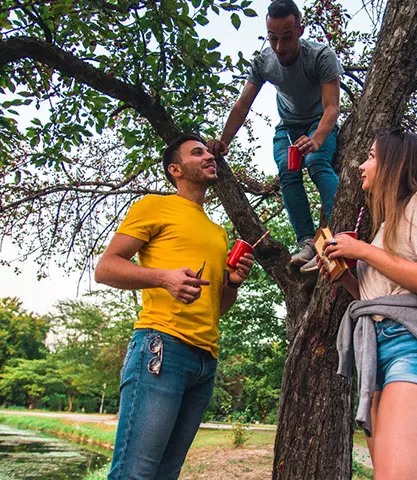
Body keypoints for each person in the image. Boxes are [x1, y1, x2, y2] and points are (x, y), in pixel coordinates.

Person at [95, 134, 255, 480]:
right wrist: (163, 278)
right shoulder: (155, 206)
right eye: (197, 153)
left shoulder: (217, 232)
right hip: (161, 348)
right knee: (134, 473)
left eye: (209, 152)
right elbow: (106, 268)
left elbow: (218, 307)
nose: (208, 156)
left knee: (166, 474)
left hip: (205, 360)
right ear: (176, 169)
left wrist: (233, 282)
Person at [319, 129, 417, 478]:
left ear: (394, 163)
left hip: (411, 349)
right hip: (378, 356)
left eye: (370, 156)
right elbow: (386, 300)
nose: (362, 165)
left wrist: (363, 251)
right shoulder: (387, 223)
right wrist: (347, 280)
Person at [207, 0, 343, 271]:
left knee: (317, 163)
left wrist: (316, 139)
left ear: (300, 30)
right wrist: (224, 141)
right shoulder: (263, 62)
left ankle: (344, 232)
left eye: (287, 38)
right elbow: (242, 104)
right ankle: (306, 242)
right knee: (287, 170)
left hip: (318, 122)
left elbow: (332, 108)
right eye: (273, 38)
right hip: (288, 127)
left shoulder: (320, 56)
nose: (280, 47)